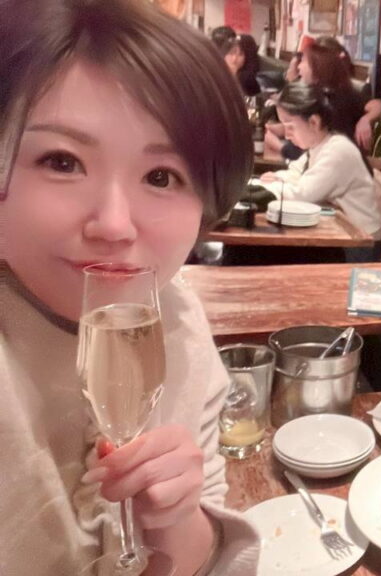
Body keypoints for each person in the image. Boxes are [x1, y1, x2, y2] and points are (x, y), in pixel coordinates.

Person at [0, 0, 258, 573]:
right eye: (62, 161)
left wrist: (177, 520)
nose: (114, 225)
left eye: (161, 176)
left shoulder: (176, 319)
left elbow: (199, 556)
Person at [260, 82, 381, 244]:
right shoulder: (319, 145)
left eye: (290, 127)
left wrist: (266, 188)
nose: (287, 135)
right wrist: (279, 178)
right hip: (342, 230)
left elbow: (303, 194)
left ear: (314, 122)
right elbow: (296, 171)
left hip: (360, 240)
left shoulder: (338, 150)